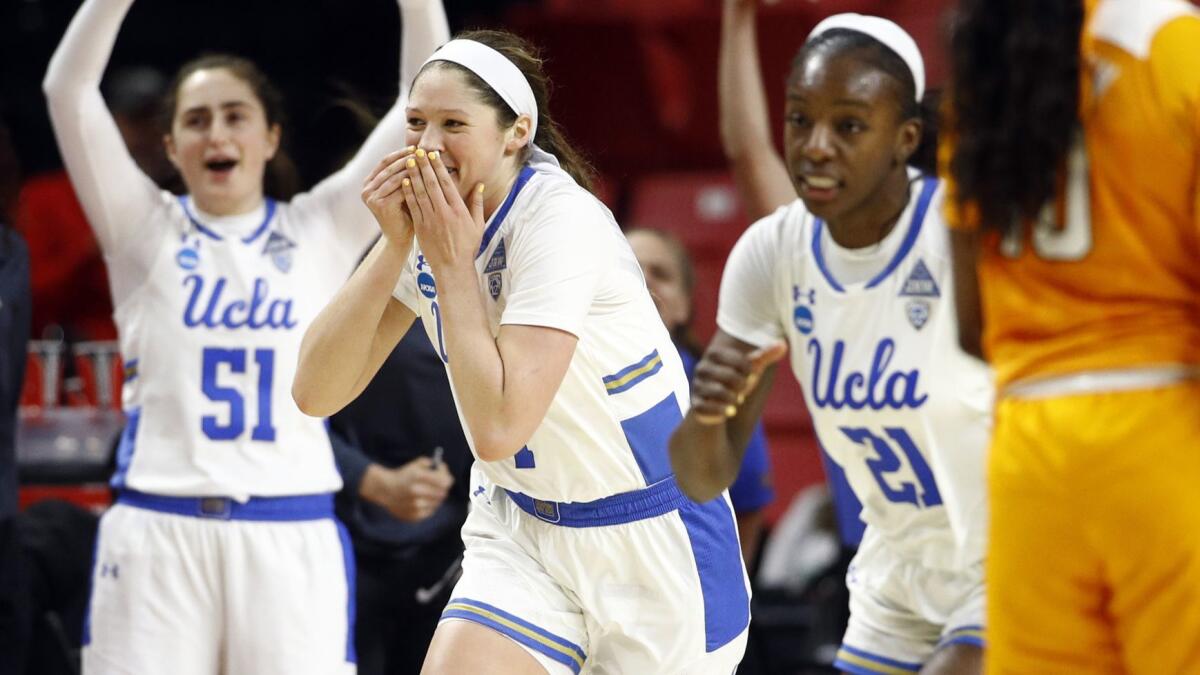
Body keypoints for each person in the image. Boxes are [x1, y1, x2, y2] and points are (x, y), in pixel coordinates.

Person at [294, 30, 750, 674]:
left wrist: (450, 269)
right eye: (416, 123)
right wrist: (394, 246)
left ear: (516, 132)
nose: (427, 146)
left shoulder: (562, 222)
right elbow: (315, 391)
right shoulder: (434, 228)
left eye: (453, 124)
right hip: (522, 530)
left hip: (651, 541)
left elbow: (501, 426)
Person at [41, 0, 448, 671]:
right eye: (195, 120)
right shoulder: (141, 229)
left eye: (235, 116)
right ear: (170, 147)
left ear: (271, 137)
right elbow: (67, 89)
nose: (216, 133)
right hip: (157, 527)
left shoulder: (321, 227)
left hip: (288, 530)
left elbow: (420, 103)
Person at [669, 11, 992, 675]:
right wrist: (708, 410)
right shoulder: (774, 251)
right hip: (895, 566)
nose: (815, 146)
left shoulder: (958, 229)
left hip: (1008, 546)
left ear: (904, 138)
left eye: (848, 125)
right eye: (798, 119)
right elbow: (701, 475)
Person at [942, 1, 1200, 672]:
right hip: (1165, 432)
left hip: (1030, 449)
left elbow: (973, 325)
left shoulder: (983, 65)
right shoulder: (1173, 45)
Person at [329, 320, 472, 675]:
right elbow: (288, 410)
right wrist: (371, 480)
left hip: (451, 546)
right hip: (340, 533)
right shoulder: (343, 276)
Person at [625, 226, 774, 565]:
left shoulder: (717, 388)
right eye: (630, 269)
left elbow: (748, 507)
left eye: (660, 274)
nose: (644, 281)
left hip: (681, 585)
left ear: (684, 306)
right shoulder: (561, 370)